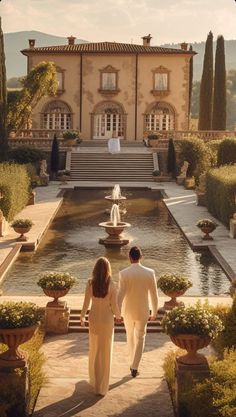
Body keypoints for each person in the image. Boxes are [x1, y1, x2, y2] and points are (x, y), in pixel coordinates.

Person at [80, 257, 121, 396]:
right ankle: (101, 387)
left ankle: (94, 381)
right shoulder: (112, 285)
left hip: (93, 319)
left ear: (95, 269)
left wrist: (82, 316)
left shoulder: (90, 283)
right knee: (105, 352)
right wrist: (119, 316)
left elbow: (86, 303)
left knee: (94, 349)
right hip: (107, 320)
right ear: (108, 269)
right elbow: (114, 306)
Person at [118, 246, 158, 377]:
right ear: (141, 257)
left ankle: (132, 364)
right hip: (143, 311)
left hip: (128, 311)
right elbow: (154, 295)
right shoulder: (150, 272)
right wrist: (155, 312)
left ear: (130, 257)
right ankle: (134, 366)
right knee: (140, 338)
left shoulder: (123, 273)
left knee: (130, 337)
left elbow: (120, 295)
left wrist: (117, 312)